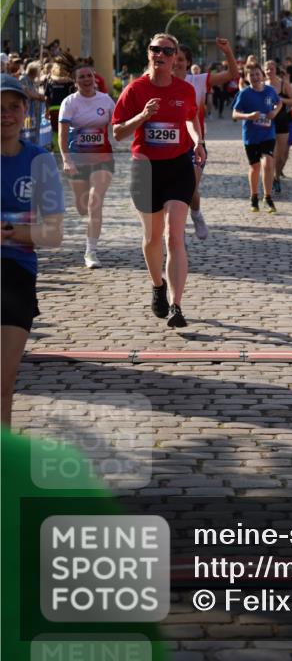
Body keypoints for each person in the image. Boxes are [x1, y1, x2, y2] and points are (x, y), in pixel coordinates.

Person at [112, 33, 205, 328]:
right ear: (149, 53)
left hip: (178, 166)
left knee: (173, 235)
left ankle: (177, 306)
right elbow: (117, 132)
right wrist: (141, 116)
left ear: (175, 56)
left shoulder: (185, 90)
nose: (160, 54)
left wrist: (198, 141)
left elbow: (190, 118)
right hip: (146, 168)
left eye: (167, 50)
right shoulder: (135, 89)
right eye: (155, 49)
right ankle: (157, 286)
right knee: (152, 238)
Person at [1, 74, 64, 425]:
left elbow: (54, 234)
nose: (5, 114)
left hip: (16, 275)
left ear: (25, 111)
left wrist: (12, 232)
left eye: (13, 107)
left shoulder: (40, 161)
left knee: (3, 382)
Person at [173, 38, 239, 239]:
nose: (176, 63)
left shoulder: (199, 81)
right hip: (169, 145)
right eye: (173, 58)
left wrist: (227, 52)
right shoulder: (160, 81)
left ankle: (196, 214)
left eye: (181, 59)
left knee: (190, 188)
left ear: (188, 62)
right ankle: (177, 230)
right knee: (174, 191)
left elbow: (232, 75)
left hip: (195, 144)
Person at [57, 63, 116, 268]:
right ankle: (90, 240)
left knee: (94, 202)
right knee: (83, 208)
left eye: (89, 75)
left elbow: (117, 125)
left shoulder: (106, 100)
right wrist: (66, 159)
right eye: (81, 77)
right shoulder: (70, 102)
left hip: (102, 159)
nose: (86, 79)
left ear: (95, 77)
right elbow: (63, 134)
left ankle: (91, 252)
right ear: (75, 81)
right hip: (77, 160)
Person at [232, 64, 282, 213]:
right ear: (247, 78)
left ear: (262, 75)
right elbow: (234, 114)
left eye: (257, 74)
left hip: (268, 134)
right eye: (251, 75)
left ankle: (267, 197)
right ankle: (254, 196)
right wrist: (248, 116)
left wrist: (274, 112)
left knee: (268, 162)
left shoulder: (270, 91)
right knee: (255, 167)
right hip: (251, 136)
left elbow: (279, 102)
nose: (255, 77)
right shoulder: (244, 94)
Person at [264, 60, 292, 194]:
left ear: (276, 70)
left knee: (282, 156)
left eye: (271, 69)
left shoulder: (284, 85)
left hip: (283, 121)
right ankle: (273, 179)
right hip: (268, 123)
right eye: (267, 69)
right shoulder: (262, 85)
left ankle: (277, 174)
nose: (269, 72)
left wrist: (279, 100)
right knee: (272, 154)